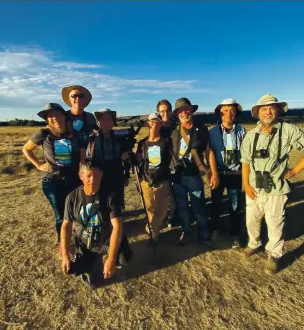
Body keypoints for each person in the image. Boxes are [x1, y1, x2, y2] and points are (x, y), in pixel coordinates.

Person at [240, 94, 304, 274]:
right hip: (253, 187)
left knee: (275, 223)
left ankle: (274, 255)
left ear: (277, 111)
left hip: (276, 188)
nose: (268, 111)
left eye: (272, 108)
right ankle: (253, 243)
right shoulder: (250, 135)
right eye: (264, 109)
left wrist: (294, 171)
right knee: (251, 221)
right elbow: (245, 162)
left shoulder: (289, 131)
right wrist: (246, 184)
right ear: (258, 113)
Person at [60, 159, 133, 288]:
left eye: (96, 175)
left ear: (102, 175)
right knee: (91, 283)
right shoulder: (72, 198)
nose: (92, 179)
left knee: (123, 257)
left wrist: (111, 258)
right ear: (81, 176)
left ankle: (112, 260)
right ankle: (91, 265)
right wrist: (65, 254)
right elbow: (66, 225)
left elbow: (117, 226)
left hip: (106, 240)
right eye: (88, 176)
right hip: (86, 244)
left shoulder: (110, 196)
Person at [22, 103, 84, 247]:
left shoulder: (74, 133)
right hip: (53, 181)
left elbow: (81, 154)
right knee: (61, 215)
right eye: (50, 116)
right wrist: (38, 165)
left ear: (64, 115)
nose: (54, 118)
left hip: (74, 178)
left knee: (76, 212)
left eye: (57, 114)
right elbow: (26, 149)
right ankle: (64, 245)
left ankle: (80, 239)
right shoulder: (43, 133)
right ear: (47, 119)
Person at [170, 97, 220, 245]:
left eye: (187, 109)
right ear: (177, 113)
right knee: (182, 205)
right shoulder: (173, 131)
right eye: (181, 110)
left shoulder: (201, 128)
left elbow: (208, 150)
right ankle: (186, 230)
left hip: (194, 175)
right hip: (177, 175)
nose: (185, 112)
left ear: (192, 110)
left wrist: (213, 172)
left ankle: (204, 232)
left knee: (199, 204)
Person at [209, 99, 247, 249]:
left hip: (236, 174)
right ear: (221, 113)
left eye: (232, 110)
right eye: (226, 110)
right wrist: (212, 173)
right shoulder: (212, 132)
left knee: (235, 205)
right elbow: (209, 152)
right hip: (218, 173)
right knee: (216, 204)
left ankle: (235, 234)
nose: (229, 113)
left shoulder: (242, 131)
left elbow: (246, 153)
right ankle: (215, 230)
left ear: (236, 113)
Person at [136, 113, 173, 246]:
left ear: (160, 124)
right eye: (151, 121)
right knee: (150, 208)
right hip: (146, 180)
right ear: (148, 123)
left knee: (162, 209)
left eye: (157, 121)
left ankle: (152, 228)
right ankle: (154, 234)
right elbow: (138, 161)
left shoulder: (166, 141)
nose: (154, 124)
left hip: (162, 180)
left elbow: (170, 159)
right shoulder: (142, 143)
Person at [86, 108, 131, 208]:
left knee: (116, 206)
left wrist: (126, 175)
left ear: (113, 122)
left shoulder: (120, 139)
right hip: (98, 178)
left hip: (117, 177)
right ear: (98, 122)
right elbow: (88, 160)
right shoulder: (92, 139)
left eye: (109, 119)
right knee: (101, 206)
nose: (105, 122)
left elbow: (127, 159)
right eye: (103, 119)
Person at [61, 84, 98, 160]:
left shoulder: (90, 117)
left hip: (86, 159)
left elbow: (99, 131)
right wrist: (38, 165)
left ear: (85, 100)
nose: (78, 99)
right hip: (66, 159)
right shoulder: (62, 117)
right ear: (69, 99)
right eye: (74, 96)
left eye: (81, 96)